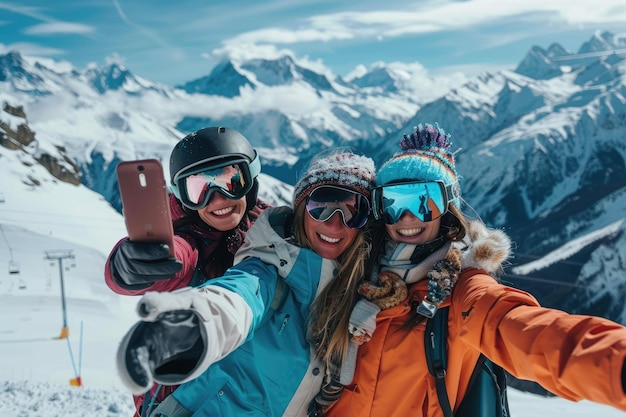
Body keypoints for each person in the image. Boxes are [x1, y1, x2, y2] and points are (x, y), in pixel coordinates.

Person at [324, 123, 626, 416]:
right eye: (391, 202)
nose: (405, 217)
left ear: (447, 208)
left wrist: (615, 366)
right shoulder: (350, 271)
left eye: (423, 202)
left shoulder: (459, 290)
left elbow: (522, 328)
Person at [115, 149, 376, 417]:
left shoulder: (367, 290)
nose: (334, 224)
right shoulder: (269, 268)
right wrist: (199, 325)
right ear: (301, 211)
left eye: (352, 212)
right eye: (320, 207)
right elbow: (240, 296)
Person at [104, 126, 270, 416]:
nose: (217, 198)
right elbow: (180, 256)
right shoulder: (188, 240)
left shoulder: (274, 234)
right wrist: (128, 266)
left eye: (231, 181)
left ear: (250, 181)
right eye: (199, 189)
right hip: (178, 402)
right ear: (183, 197)